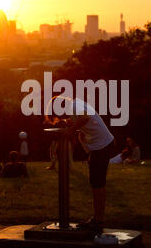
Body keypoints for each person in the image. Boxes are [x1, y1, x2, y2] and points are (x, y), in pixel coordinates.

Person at [49, 97, 114, 232]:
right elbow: (81, 120)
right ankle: (98, 218)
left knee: (97, 183)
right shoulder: (75, 105)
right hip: (99, 146)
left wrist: (70, 131)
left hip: (102, 146)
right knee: (96, 182)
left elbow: (84, 119)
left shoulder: (74, 105)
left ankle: (98, 219)